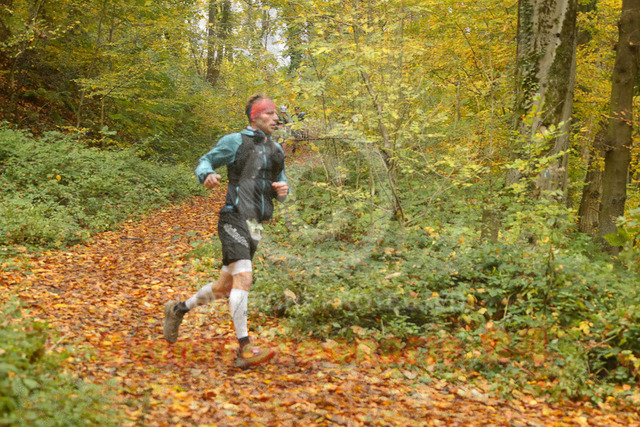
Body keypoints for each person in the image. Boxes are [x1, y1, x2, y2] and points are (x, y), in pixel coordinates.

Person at [163, 94, 289, 369]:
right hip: (233, 217)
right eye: (269, 113)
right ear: (255, 116)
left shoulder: (276, 150)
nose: (275, 118)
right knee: (244, 277)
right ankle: (245, 348)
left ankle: (178, 309)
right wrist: (207, 174)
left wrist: (283, 190)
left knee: (224, 287)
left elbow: (281, 182)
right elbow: (205, 161)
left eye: (276, 114)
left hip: (256, 224)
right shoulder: (235, 141)